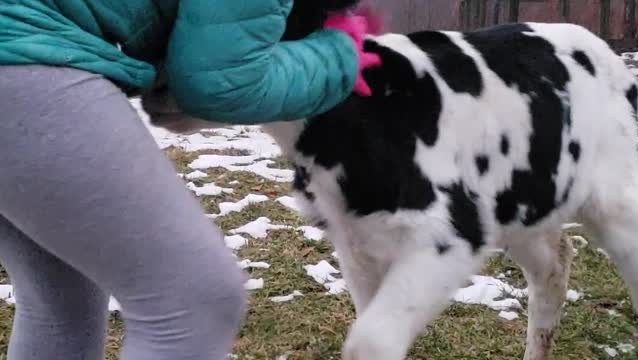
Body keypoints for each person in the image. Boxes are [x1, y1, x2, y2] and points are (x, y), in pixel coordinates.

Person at [0, 1, 381, 360]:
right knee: (190, 299)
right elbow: (219, 84)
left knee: (62, 301)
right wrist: (341, 54)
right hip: (20, 54)